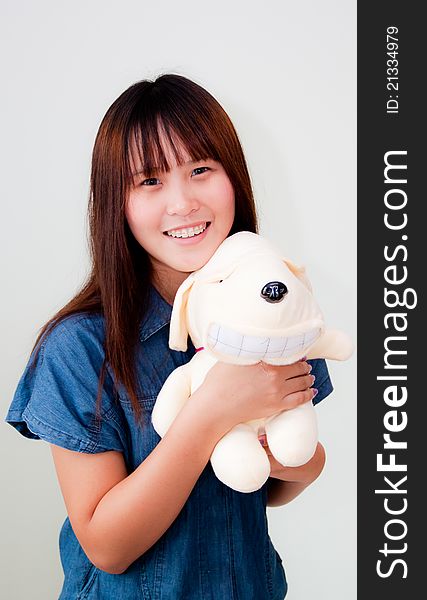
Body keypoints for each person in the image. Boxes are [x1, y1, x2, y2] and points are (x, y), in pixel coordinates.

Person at [5, 73, 333, 599]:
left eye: (201, 169)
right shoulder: (79, 347)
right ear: (118, 201)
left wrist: (299, 460)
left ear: (234, 178)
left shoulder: (275, 307)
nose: (182, 203)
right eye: (150, 181)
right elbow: (107, 547)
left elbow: (271, 488)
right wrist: (210, 413)